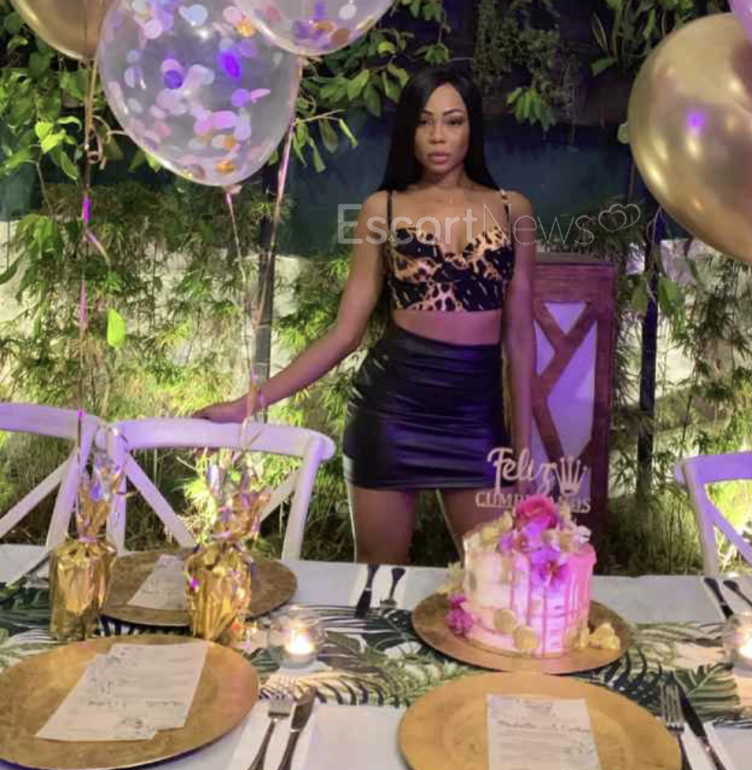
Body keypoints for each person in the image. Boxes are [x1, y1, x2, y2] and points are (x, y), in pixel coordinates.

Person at [196, 69, 537, 564]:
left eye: (453, 121)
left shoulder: (513, 210)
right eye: (424, 122)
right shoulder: (383, 209)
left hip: (475, 419)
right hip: (392, 412)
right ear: (408, 130)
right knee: (377, 586)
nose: (437, 136)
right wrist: (248, 404)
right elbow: (344, 334)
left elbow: (521, 338)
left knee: (495, 581)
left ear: (472, 127)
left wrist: (523, 451)